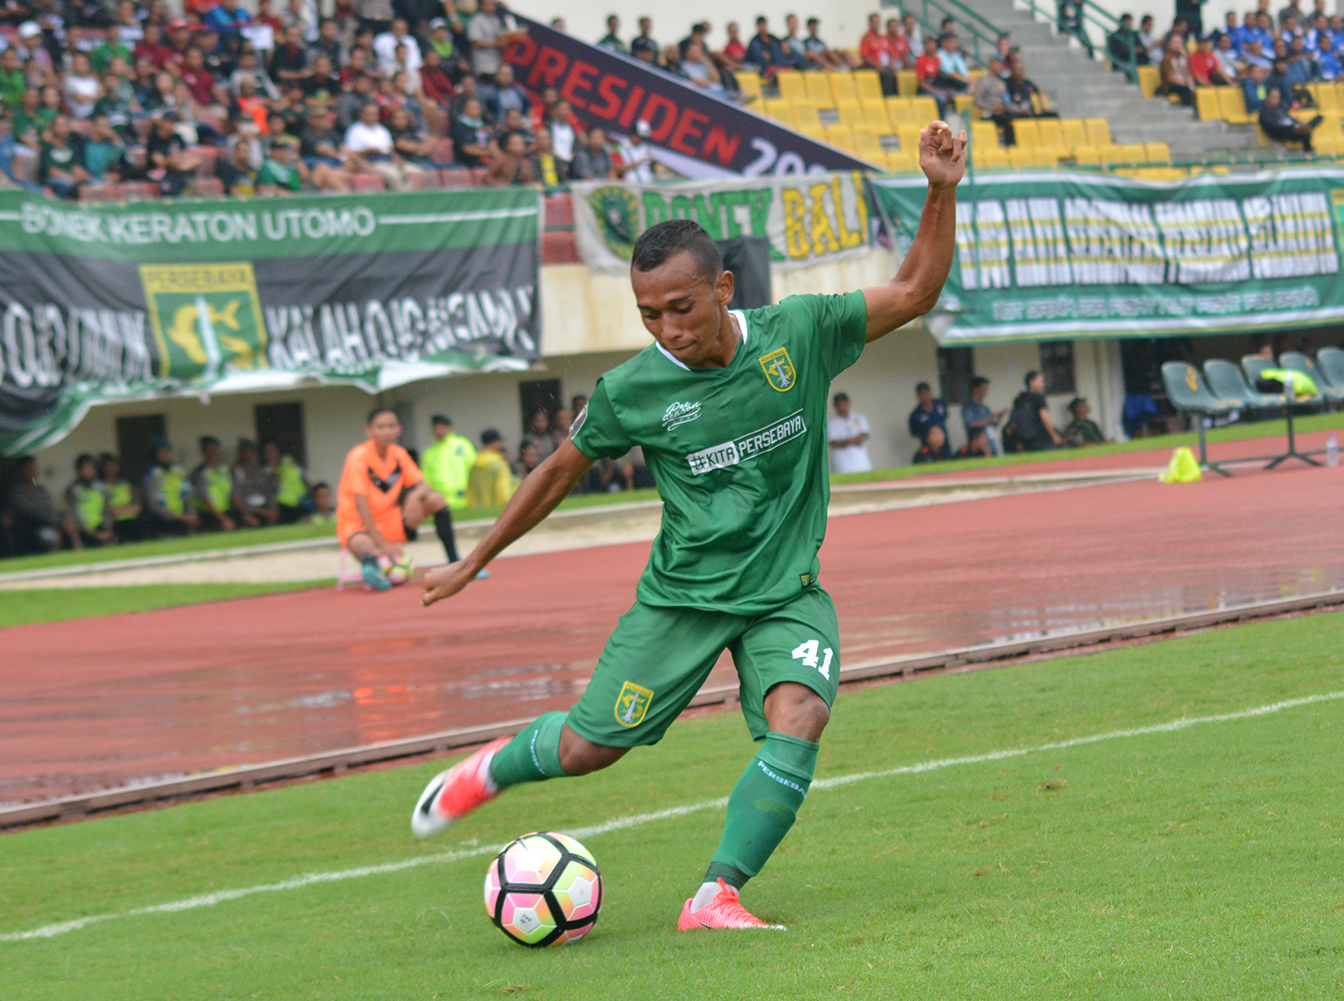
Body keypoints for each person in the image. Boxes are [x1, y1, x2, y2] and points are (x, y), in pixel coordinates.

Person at [409, 122, 970, 932]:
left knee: (801, 716)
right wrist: (473, 560)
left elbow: (916, 290)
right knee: (591, 749)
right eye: (648, 314)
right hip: (685, 597)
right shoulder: (632, 390)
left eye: (680, 306)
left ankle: (716, 894)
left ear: (724, 287)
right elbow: (559, 470)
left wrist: (940, 189)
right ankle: (491, 771)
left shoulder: (800, 333)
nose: (667, 328)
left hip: (786, 589)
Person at [336, 407, 463, 591]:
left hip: (390, 519)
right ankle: (373, 567)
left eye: (391, 426)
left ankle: (456, 564)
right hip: (359, 525)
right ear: (369, 431)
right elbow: (361, 505)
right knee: (362, 543)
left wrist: (414, 496)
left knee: (436, 499)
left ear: (399, 429)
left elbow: (424, 485)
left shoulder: (398, 453)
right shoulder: (358, 457)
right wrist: (383, 544)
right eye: (380, 427)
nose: (386, 432)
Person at [142, 438, 200, 535]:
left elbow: (188, 495)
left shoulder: (178, 471)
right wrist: (175, 517)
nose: (166, 455)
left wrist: (192, 515)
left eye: (167, 452)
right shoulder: (150, 474)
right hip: (163, 520)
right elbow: (152, 503)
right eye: (161, 452)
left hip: (184, 517)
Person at [420, 414, 477, 508]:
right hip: (440, 502)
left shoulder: (462, 445)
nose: (439, 431)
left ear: (449, 428)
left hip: (464, 499)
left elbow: (474, 468)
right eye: (437, 428)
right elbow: (425, 479)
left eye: (442, 428)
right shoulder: (429, 452)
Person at [1002, 371, 1061, 452]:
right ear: (1031, 382)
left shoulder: (1019, 399)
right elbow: (1045, 418)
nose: (1042, 384)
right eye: (1040, 381)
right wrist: (1054, 436)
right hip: (1041, 438)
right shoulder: (1038, 397)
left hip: (1025, 440)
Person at [66, 454, 114, 548]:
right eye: (85, 468)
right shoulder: (74, 490)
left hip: (101, 527)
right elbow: (72, 515)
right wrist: (94, 534)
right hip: (84, 531)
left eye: (91, 468)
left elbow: (107, 510)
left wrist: (107, 530)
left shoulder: (101, 488)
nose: (88, 471)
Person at [190, 436, 237, 532]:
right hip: (210, 515)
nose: (213, 453)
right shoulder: (199, 473)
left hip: (227, 511)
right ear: (204, 453)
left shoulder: (225, 469)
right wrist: (224, 519)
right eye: (209, 450)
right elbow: (205, 500)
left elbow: (233, 493)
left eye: (215, 449)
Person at [1258, 86, 1319, 150]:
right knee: (1304, 132)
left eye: (1278, 98)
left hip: (1290, 128)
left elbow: (1289, 118)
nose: (1276, 100)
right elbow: (1274, 127)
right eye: (1274, 97)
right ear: (1267, 97)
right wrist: (1293, 127)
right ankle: (1308, 153)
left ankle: (1306, 127)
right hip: (1280, 133)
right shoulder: (1265, 113)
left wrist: (1297, 124)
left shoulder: (1280, 109)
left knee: (1317, 119)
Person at [263, 440, 309, 523]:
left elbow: (302, 480)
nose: (271, 455)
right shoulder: (265, 472)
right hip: (279, 508)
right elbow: (269, 493)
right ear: (264, 455)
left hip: (299, 503)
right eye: (268, 453)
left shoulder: (288, 464)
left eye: (273, 451)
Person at [468, 429, 515, 508]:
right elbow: (503, 491)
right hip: (495, 510)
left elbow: (470, 490)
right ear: (496, 443)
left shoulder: (474, 463)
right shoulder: (498, 464)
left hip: (477, 510)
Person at [826, 392, 872, 474]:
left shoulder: (859, 417)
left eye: (844, 404)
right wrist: (851, 441)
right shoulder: (831, 422)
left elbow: (864, 434)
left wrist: (848, 441)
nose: (842, 407)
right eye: (839, 405)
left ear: (848, 403)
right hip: (842, 462)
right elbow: (833, 442)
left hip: (861, 460)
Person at [961, 376, 1004, 455]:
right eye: (984, 390)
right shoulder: (969, 408)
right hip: (979, 448)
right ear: (975, 389)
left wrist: (998, 418)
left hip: (991, 444)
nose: (985, 393)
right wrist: (989, 419)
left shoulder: (985, 408)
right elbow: (970, 424)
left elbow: (991, 424)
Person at [907, 381, 949, 450]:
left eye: (926, 393)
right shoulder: (915, 415)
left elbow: (945, 416)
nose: (925, 397)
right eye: (922, 395)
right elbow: (914, 433)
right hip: (928, 447)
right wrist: (929, 436)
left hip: (944, 443)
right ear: (918, 396)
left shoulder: (940, 404)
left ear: (930, 393)